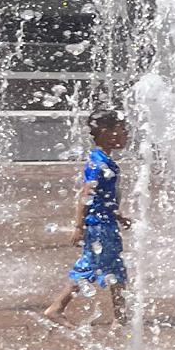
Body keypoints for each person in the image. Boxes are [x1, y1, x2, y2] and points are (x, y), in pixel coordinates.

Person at [45, 109, 131, 327]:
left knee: (116, 268)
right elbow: (86, 194)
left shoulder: (104, 160)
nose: (126, 135)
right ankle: (56, 308)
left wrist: (118, 215)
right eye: (121, 130)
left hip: (106, 223)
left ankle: (121, 317)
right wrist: (79, 226)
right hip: (98, 227)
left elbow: (103, 196)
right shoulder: (98, 162)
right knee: (89, 268)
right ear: (105, 132)